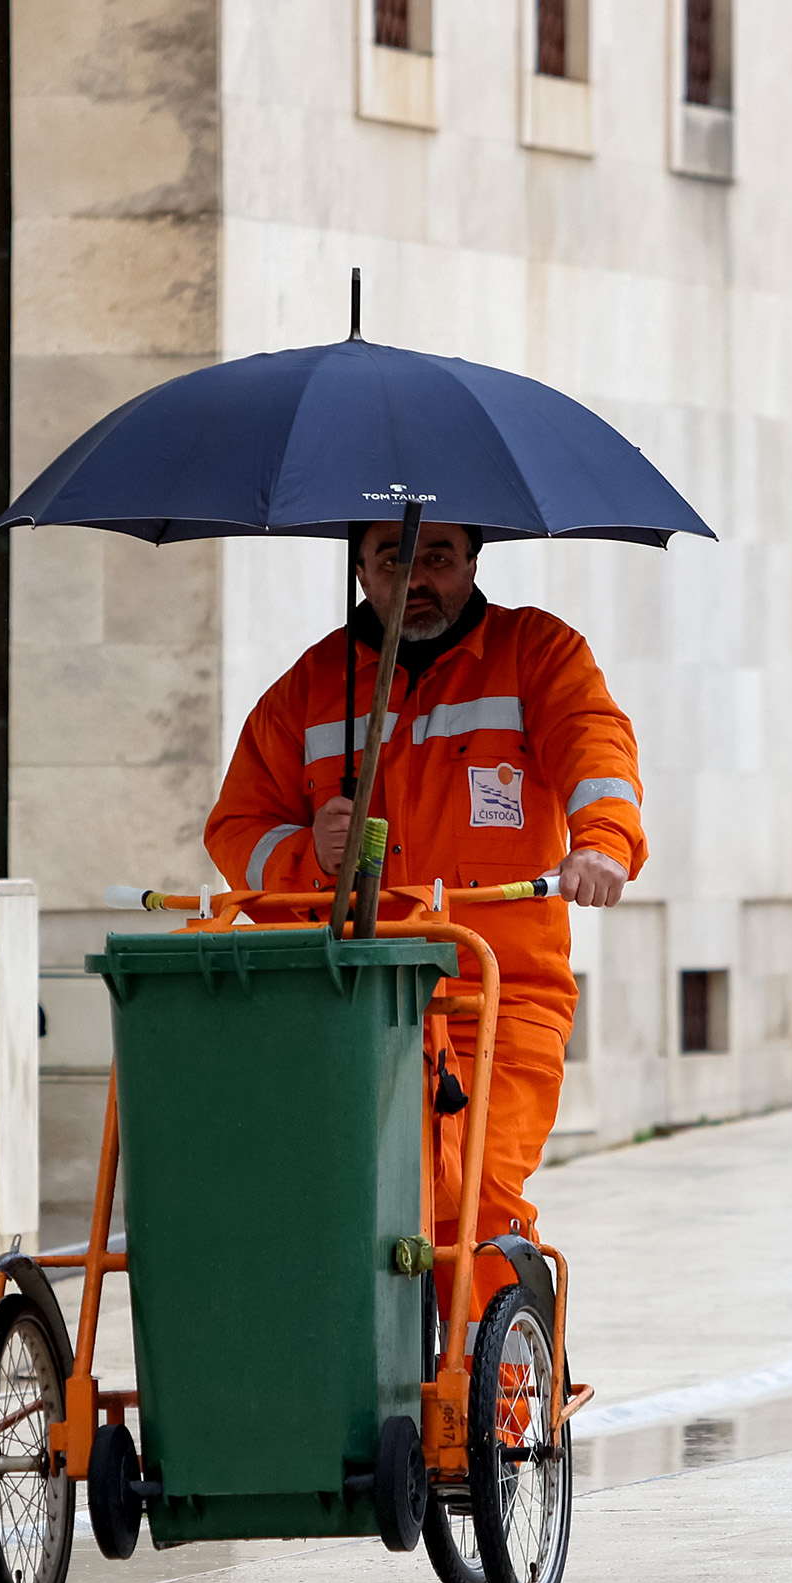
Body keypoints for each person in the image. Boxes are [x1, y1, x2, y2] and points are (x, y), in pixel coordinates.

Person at [205, 519, 640, 1247]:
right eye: (391, 558)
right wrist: (311, 855)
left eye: (437, 556)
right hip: (358, 1002)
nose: (416, 578)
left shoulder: (537, 652)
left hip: (500, 998)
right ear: (360, 572)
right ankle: (392, 1363)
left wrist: (602, 843)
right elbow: (236, 828)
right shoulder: (308, 690)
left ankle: (501, 1363)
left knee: (471, 1197)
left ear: (474, 559)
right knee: (357, 1217)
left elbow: (595, 744)